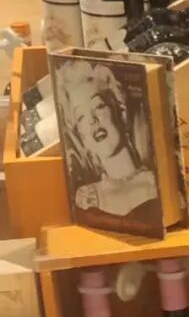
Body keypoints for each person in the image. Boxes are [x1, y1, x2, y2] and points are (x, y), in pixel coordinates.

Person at [55, 56, 159, 226]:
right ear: (82, 137)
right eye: (81, 116)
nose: (92, 120)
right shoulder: (87, 199)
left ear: (121, 112)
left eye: (99, 106)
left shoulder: (158, 183)